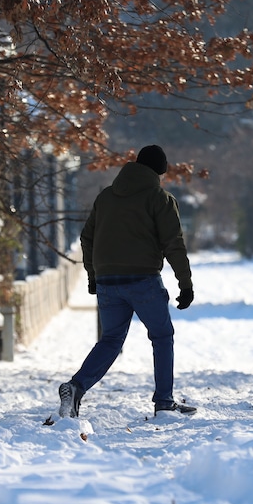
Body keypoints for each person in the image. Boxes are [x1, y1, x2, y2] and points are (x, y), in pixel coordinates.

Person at [57, 144, 197, 418]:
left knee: (110, 340)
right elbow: (173, 244)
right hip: (143, 280)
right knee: (162, 336)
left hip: (109, 283)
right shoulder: (160, 198)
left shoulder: (106, 197)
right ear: (159, 170)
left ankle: (75, 386)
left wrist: (94, 275)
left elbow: (87, 237)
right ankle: (164, 402)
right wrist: (186, 284)